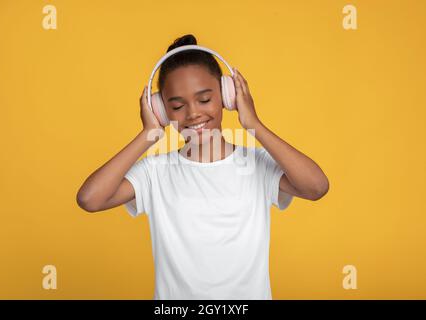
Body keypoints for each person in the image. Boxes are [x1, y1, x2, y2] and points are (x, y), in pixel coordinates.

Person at [76, 34, 329, 300]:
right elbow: (90, 199)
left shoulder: (256, 164)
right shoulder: (155, 172)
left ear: (227, 96)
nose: (193, 113)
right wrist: (147, 134)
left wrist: (254, 124)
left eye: (204, 100)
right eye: (176, 105)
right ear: (161, 110)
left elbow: (316, 187)